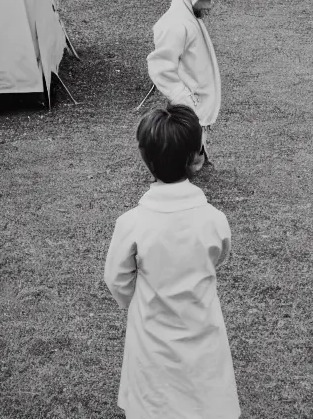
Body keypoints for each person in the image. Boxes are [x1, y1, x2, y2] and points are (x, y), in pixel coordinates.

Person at [104, 105, 241, 419]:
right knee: (204, 400)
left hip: (151, 334)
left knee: (155, 402)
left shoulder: (132, 223)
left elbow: (117, 279)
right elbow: (219, 256)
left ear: (144, 158)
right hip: (201, 326)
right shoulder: (213, 219)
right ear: (196, 156)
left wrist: (139, 302)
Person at [147, 0, 222, 173]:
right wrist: (183, 96)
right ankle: (183, 169)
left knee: (196, 134)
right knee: (185, 136)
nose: (210, 5)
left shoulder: (189, 18)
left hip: (196, 98)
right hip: (188, 100)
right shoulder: (175, 24)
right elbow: (160, 67)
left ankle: (198, 158)